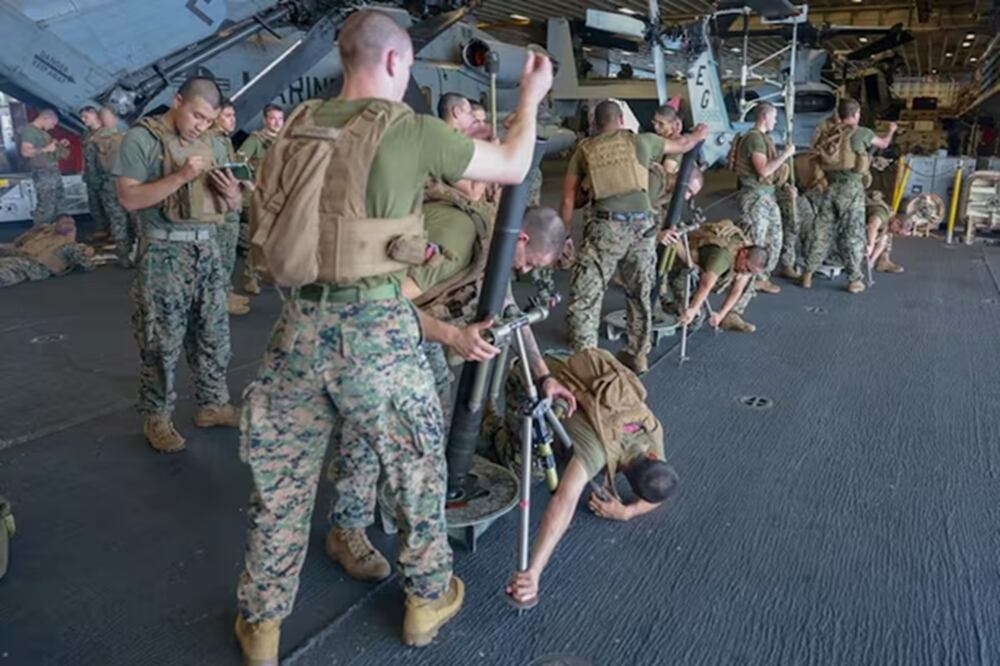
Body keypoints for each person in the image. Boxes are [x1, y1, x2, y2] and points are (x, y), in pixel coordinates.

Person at [233, 9, 554, 662]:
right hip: (377, 331)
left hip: (297, 328)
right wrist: (529, 96)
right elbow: (516, 164)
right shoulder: (409, 130)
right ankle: (425, 603)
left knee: (281, 488)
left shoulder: (295, 128)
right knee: (415, 475)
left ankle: (261, 627)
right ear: (392, 62)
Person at [324, 207, 578, 585]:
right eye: (530, 262)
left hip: (419, 338)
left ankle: (400, 488)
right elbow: (384, 303)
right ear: (521, 239)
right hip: (377, 335)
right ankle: (347, 528)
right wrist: (451, 335)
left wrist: (543, 376)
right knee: (365, 428)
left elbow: (511, 314)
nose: (524, 271)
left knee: (433, 418)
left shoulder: (495, 253)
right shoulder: (459, 242)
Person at [114, 76, 244, 454]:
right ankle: (157, 416)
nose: (201, 125)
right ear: (177, 101)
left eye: (209, 120)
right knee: (160, 340)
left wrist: (232, 195)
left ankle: (213, 404)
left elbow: (233, 206)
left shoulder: (213, 144)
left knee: (214, 335)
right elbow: (129, 199)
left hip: (207, 251)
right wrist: (182, 176)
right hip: (164, 254)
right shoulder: (142, 140)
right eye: (197, 116)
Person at [501, 348, 678, 607]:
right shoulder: (599, 451)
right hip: (533, 375)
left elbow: (660, 487)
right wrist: (534, 572)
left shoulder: (650, 429)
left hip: (573, 362)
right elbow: (563, 502)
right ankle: (491, 424)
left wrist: (626, 512)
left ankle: (562, 434)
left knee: (564, 447)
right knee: (523, 471)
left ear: (652, 456)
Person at [562, 99, 706, 375]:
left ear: (594, 122)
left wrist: (565, 237)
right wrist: (699, 134)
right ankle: (637, 354)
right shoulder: (642, 142)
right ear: (621, 121)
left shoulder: (584, 150)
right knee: (640, 293)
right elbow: (684, 145)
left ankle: (586, 359)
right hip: (644, 229)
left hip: (606, 228)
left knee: (587, 294)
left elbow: (569, 198)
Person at [801, 99, 897, 293]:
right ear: (856, 114)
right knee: (852, 234)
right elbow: (884, 144)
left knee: (822, 230)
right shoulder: (862, 133)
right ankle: (854, 280)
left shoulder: (830, 133)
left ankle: (807, 274)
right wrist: (891, 130)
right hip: (851, 190)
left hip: (829, 188)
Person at [657, 219, 769, 333]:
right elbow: (706, 285)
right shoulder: (722, 257)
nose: (745, 272)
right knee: (691, 318)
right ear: (743, 253)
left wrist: (721, 314)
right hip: (678, 265)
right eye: (746, 268)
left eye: (749, 271)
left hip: (699, 272)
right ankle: (663, 300)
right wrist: (692, 309)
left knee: (695, 318)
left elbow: (737, 289)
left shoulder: (747, 254)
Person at [732, 102, 795, 295]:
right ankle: (746, 286)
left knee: (774, 238)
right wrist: (785, 155)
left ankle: (760, 278)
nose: (775, 122)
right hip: (755, 197)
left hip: (767, 195)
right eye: (774, 118)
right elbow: (763, 170)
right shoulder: (754, 139)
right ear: (765, 117)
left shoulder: (762, 138)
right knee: (755, 242)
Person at [236, 104, 285, 296]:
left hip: (277, 196)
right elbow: (238, 164)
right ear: (265, 120)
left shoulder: (284, 141)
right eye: (272, 118)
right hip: (258, 197)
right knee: (259, 238)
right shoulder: (256, 140)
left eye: (280, 119)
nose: (276, 123)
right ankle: (250, 277)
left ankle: (266, 272)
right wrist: (250, 187)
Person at [213, 99, 251, 316]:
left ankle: (225, 291)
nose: (232, 120)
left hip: (229, 204)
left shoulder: (224, 140)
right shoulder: (214, 141)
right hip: (221, 206)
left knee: (227, 255)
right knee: (222, 255)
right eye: (227, 115)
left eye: (233, 115)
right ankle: (220, 299)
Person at [89, 107, 135, 267]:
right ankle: (139, 254)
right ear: (115, 119)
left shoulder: (93, 141)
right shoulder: (127, 138)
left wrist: (98, 187)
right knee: (135, 220)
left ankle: (124, 257)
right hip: (129, 184)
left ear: (100, 120)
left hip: (108, 185)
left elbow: (91, 170)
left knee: (117, 220)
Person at [0, 215, 95, 288]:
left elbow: (87, 266)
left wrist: (87, 253)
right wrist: (36, 229)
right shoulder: (44, 231)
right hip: (21, 255)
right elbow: (18, 242)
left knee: (8, 269)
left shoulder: (71, 246)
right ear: (55, 224)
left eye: (72, 224)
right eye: (65, 223)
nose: (69, 226)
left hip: (36, 265)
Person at [19, 109, 69, 226]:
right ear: (46, 118)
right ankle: (40, 235)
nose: (52, 127)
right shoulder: (30, 130)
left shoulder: (41, 132)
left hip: (52, 172)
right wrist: (45, 149)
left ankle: (55, 237)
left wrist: (59, 145)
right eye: (52, 124)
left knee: (58, 202)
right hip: (44, 173)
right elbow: (25, 151)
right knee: (46, 206)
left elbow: (49, 149)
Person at [79, 106, 109, 239]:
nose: (83, 120)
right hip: (91, 176)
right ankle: (101, 229)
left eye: (85, 117)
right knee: (94, 205)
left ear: (94, 115)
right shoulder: (86, 134)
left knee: (110, 205)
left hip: (105, 177)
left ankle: (116, 232)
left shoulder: (107, 133)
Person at [865, 191, 905, 273]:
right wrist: (870, 245)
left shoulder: (889, 223)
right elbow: (872, 225)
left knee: (886, 236)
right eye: (897, 232)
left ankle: (882, 261)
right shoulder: (882, 214)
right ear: (897, 222)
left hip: (863, 221)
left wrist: (871, 260)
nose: (895, 233)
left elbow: (883, 241)